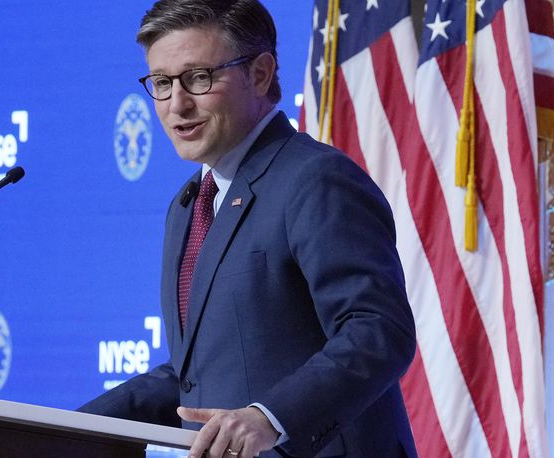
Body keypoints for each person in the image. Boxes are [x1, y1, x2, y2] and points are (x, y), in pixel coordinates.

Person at [79, 1, 417, 456]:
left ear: (260, 73)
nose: (177, 103)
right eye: (161, 83)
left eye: (199, 77)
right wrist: (63, 426)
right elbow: (194, 373)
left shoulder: (315, 179)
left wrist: (271, 417)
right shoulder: (188, 205)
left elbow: (377, 331)